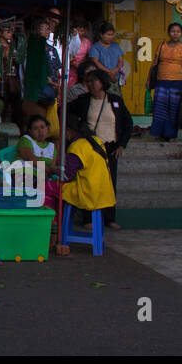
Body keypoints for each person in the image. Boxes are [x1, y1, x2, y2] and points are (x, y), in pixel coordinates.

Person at [66, 68, 133, 229]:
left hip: (110, 148)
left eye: (93, 81)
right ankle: (88, 218)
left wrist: (122, 145)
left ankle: (109, 218)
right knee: (90, 183)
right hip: (91, 148)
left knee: (109, 183)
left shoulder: (115, 100)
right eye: (88, 81)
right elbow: (65, 111)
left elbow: (127, 123)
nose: (90, 84)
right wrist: (77, 128)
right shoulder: (83, 100)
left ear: (102, 82)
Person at [53, 112, 116, 256]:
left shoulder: (77, 147)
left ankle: (59, 232)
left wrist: (54, 170)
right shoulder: (96, 141)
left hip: (88, 192)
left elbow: (67, 175)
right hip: (104, 192)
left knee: (58, 189)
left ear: (68, 131)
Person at [149, 23, 182, 142]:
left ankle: (171, 135)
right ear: (168, 33)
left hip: (177, 82)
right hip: (161, 80)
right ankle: (159, 133)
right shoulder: (162, 45)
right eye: (173, 31)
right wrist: (149, 79)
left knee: (173, 109)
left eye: (178, 31)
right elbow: (154, 63)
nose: (175, 33)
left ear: (181, 33)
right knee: (159, 108)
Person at [20, 17, 60, 137]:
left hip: (48, 97)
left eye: (48, 29)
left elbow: (56, 71)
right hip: (35, 97)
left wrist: (57, 89)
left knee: (48, 133)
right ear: (35, 31)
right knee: (37, 133)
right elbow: (34, 74)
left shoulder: (51, 49)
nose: (47, 32)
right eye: (43, 29)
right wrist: (51, 83)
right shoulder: (32, 49)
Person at [87, 22, 126, 93]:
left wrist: (116, 70)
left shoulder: (115, 46)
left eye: (112, 34)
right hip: (101, 80)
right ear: (101, 35)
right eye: (108, 35)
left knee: (116, 101)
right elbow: (95, 62)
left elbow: (121, 60)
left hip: (115, 79)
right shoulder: (95, 47)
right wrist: (109, 72)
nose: (110, 37)